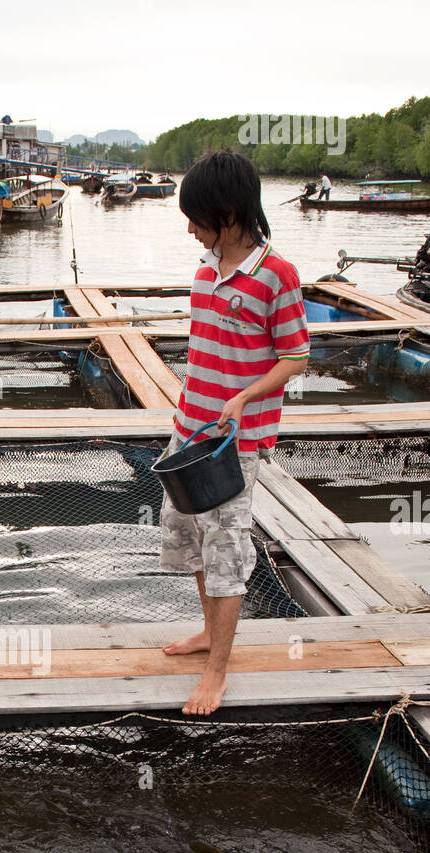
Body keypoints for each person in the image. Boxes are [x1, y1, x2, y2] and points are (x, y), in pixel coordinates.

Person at [159, 148, 310, 715]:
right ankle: (207, 632)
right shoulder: (204, 272)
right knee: (189, 537)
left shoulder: (277, 275)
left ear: (227, 211)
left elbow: (296, 356)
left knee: (225, 550)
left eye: (197, 218)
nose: (191, 230)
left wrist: (244, 396)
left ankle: (217, 670)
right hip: (188, 431)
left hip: (235, 444)